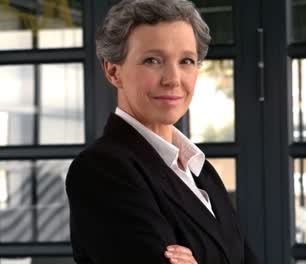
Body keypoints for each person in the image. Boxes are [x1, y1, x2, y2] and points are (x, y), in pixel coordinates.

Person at [65, 0, 259, 263]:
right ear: (113, 71)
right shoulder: (101, 170)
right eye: (153, 60)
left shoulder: (200, 170)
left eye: (187, 61)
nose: (173, 79)